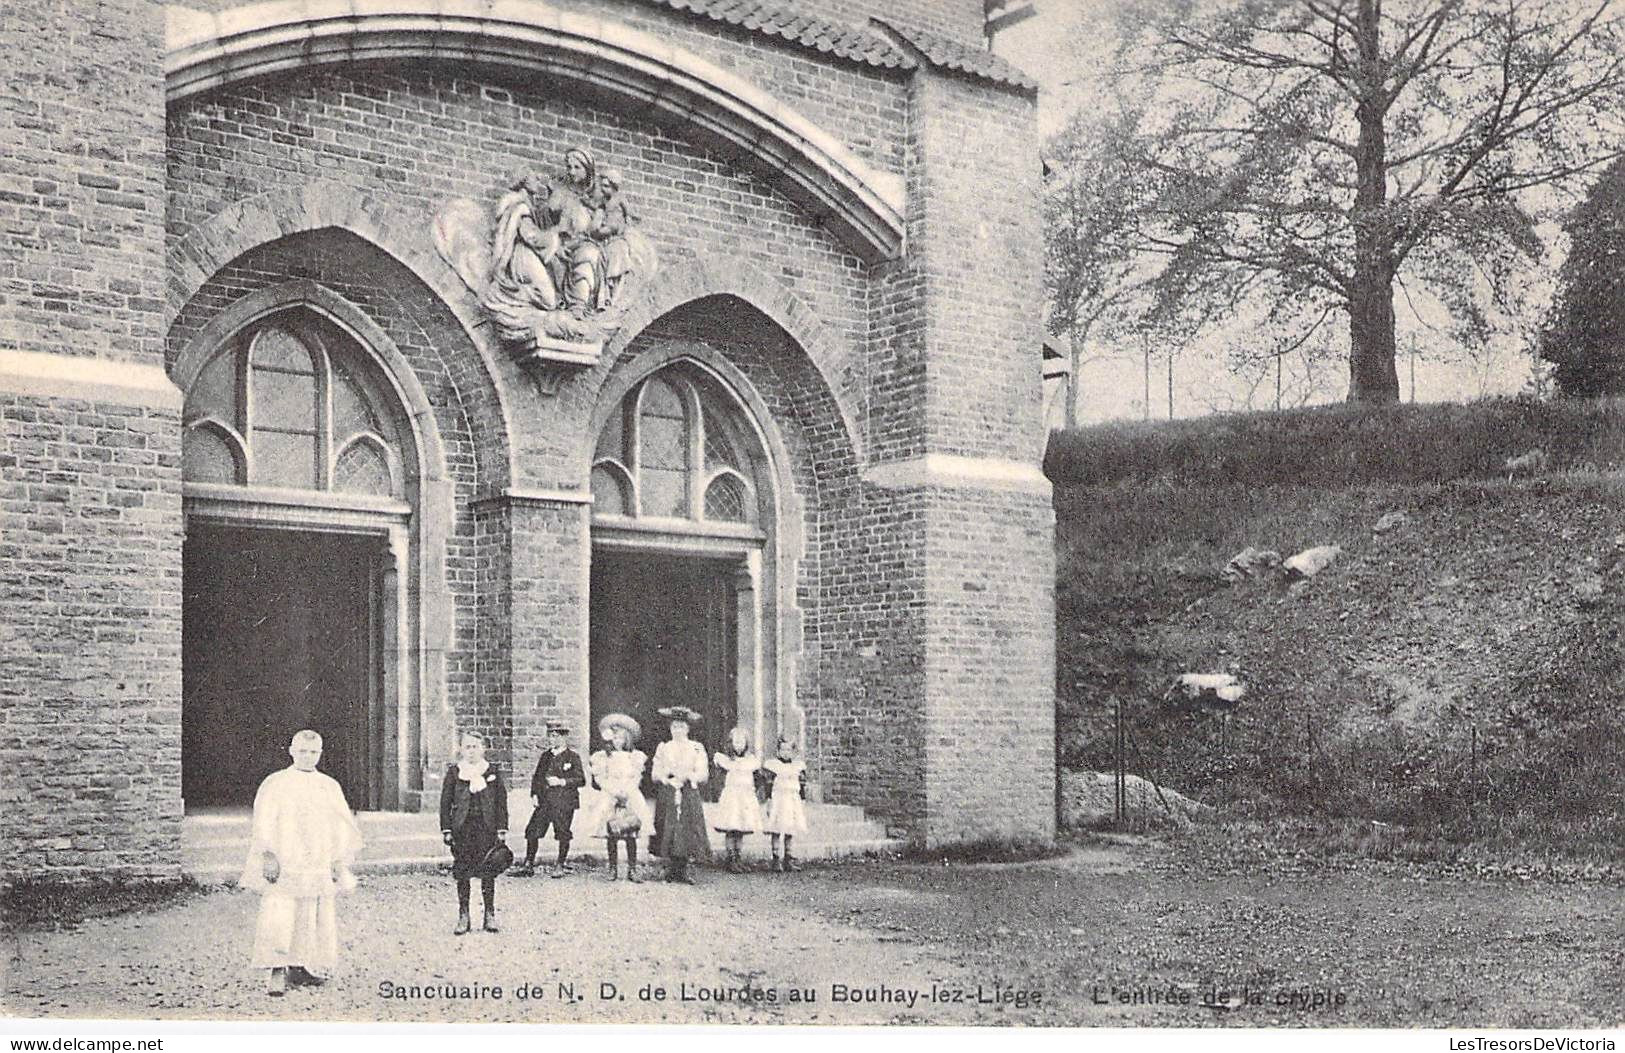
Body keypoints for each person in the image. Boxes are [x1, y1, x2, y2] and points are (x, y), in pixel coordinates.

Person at [239, 730, 362, 997]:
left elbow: (341, 824)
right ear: (292, 751)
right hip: (286, 858)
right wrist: (268, 854)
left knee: (310, 911)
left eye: (314, 752)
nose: (308, 757)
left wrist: (337, 858)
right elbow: (263, 820)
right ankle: (276, 970)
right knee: (280, 911)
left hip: (316, 857)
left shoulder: (328, 785)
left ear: (320, 753)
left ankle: (299, 965)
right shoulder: (277, 783)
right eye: (303, 751)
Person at [439, 731, 509, 935]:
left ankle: (489, 914)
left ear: (483, 749)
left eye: (475, 747)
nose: (471, 751)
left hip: (486, 828)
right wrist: (447, 829)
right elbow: (445, 802)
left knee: (488, 870)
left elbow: (501, 803)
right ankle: (464, 916)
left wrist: (502, 828)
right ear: (461, 749)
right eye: (467, 747)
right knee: (463, 871)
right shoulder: (455, 772)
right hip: (463, 829)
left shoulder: (491, 771)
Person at [582, 713, 652, 882]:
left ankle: (632, 869)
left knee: (631, 832)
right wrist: (613, 791)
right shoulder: (604, 757)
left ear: (627, 739)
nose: (618, 741)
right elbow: (600, 778)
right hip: (611, 794)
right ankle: (612, 868)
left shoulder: (634, 757)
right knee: (611, 832)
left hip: (629, 795)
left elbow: (636, 777)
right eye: (615, 738)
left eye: (621, 738)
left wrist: (627, 791)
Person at [652, 706, 712, 883]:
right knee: (668, 826)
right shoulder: (664, 747)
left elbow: (703, 773)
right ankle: (670, 867)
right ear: (670, 729)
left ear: (688, 729)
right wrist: (666, 778)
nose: (678, 731)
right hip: (669, 790)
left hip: (688, 791)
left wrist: (688, 776)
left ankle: (685, 868)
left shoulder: (696, 748)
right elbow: (656, 772)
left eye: (682, 727)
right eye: (674, 727)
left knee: (688, 827)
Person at [519, 723, 586, 878]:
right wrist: (534, 794)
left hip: (564, 802)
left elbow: (581, 780)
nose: (552, 739)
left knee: (563, 833)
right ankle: (528, 864)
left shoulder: (572, 757)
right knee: (532, 830)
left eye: (555, 736)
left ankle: (560, 865)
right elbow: (537, 777)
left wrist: (562, 781)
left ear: (564, 737)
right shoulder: (546, 756)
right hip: (544, 801)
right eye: (550, 735)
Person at [712, 726, 762, 873]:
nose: (739, 745)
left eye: (742, 742)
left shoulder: (751, 761)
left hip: (745, 798)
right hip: (732, 798)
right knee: (731, 827)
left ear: (746, 744)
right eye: (736, 742)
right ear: (730, 743)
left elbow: (757, 779)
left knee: (740, 829)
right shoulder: (726, 761)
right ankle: (731, 858)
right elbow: (720, 776)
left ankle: (738, 858)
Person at [761, 737, 808, 873]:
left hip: (792, 799)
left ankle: (788, 858)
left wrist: (802, 800)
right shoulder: (773, 766)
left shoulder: (798, 767)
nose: (785, 752)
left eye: (789, 750)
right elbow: (768, 785)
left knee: (790, 829)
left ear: (793, 752)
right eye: (782, 749)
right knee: (776, 829)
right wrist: (769, 800)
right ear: (778, 751)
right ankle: (776, 858)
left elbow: (802, 786)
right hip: (779, 799)